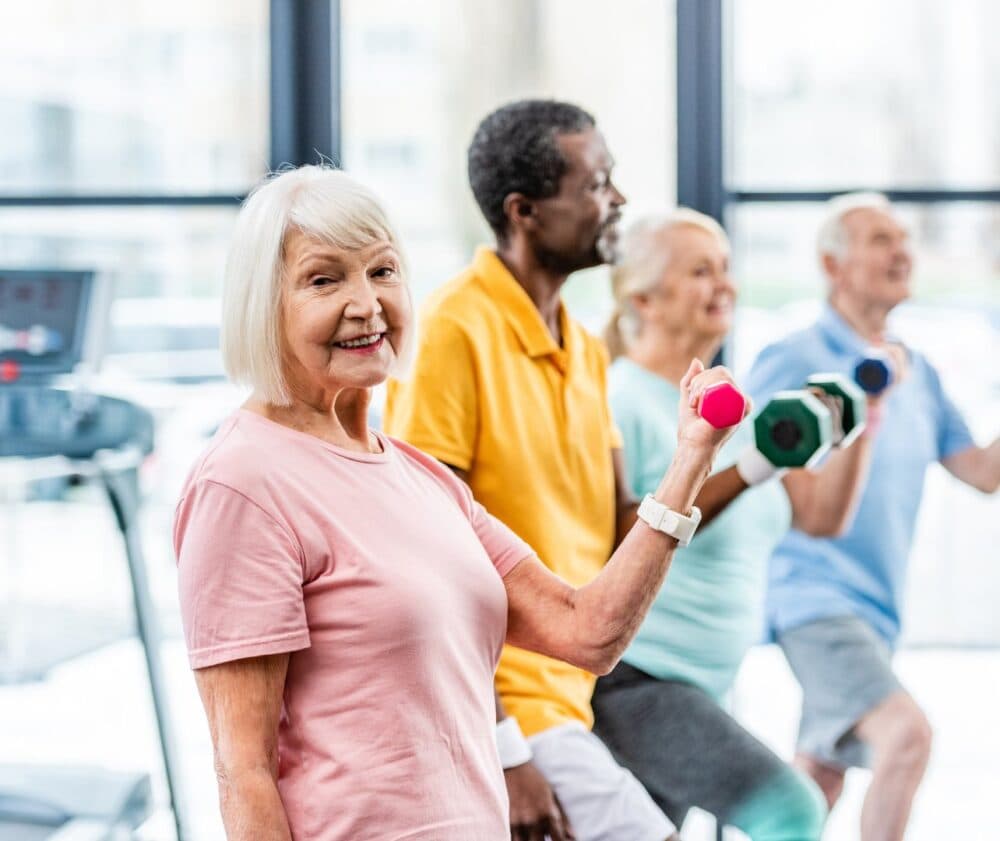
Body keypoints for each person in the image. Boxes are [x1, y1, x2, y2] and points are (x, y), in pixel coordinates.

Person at [174, 164, 742, 841]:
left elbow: (587, 631)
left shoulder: (419, 476)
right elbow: (244, 772)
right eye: (325, 279)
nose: (367, 303)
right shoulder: (242, 482)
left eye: (382, 272)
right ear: (262, 303)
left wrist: (689, 461)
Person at [385, 99, 686, 841]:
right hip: (503, 712)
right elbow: (426, 558)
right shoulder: (452, 331)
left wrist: (708, 455)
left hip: (572, 698)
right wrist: (504, 746)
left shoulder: (584, 350)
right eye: (595, 183)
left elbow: (622, 525)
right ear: (524, 211)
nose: (615, 200)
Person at [589, 209, 881, 839]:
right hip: (641, 681)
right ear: (643, 296)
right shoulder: (621, 397)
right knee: (792, 808)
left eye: (726, 267)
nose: (724, 283)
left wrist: (860, 424)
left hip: (704, 682)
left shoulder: (734, 406)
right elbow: (619, 533)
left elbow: (820, 516)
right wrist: (752, 466)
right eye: (701, 271)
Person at [745, 192, 1000, 841]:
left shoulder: (916, 369)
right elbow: (759, 482)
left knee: (817, 780)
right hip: (812, 597)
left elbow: (982, 472)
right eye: (881, 240)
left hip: (876, 607)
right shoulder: (794, 355)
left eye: (904, 239)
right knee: (907, 736)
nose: (902, 252)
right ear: (834, 265)